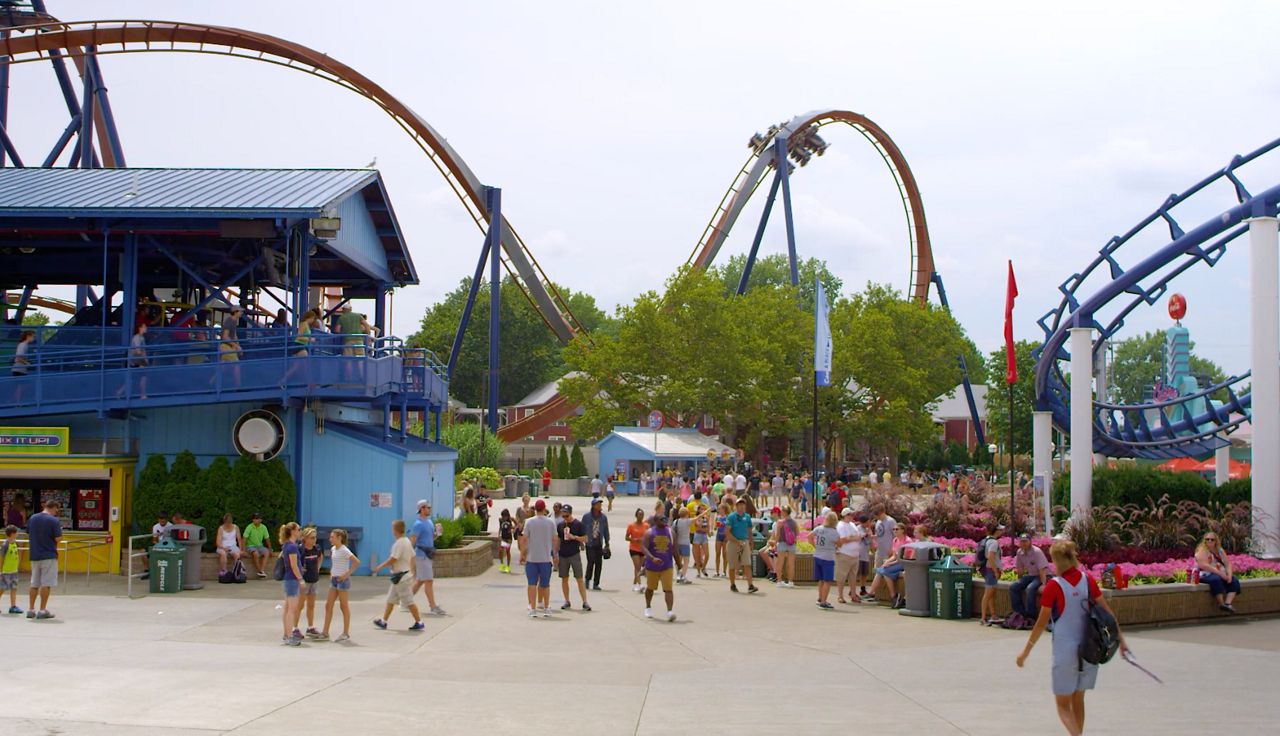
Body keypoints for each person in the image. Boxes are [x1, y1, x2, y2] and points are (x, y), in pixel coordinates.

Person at [1017, 540, 1128, 736]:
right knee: (1078, 700)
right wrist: (1121, 641)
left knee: (1062, 705)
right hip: (1089, 649)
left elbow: (1041, 623)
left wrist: (1025, 652)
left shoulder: (1054, 586)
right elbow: (1108, 615)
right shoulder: (1088, 580)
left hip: (1064, 651)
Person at [371, 519, 425, 631]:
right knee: (390, 599)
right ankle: (384, 621)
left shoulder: (399, 543)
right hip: (399, 577)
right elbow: (413, 556)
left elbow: (393, 559)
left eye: (392, 528)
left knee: (409, 601)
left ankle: (419, 622)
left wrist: (379, 567)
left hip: (401, 578)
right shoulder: (406, 541)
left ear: (395, 530)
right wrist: (412, 571)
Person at [320, 528, 359, 642]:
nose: (330, 539)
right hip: (334, 580)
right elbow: (334, 563)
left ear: (339, 538)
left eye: (332, 537)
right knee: (328, 605)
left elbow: (356, 562)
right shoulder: (333, 549)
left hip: (342, 581)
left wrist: (346, 574)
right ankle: (325, 632)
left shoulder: (344, 550)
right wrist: (332, 573)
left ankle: (345, 633)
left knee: (343, 606)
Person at [25, 499, 62, 620]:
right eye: (57, 509)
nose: (57, 511)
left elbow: (28, 533)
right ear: (53, 507)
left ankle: (30, 609)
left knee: (34, 583)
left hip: (34, 554)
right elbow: (58, 538)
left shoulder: (33, 518)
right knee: (46, 583)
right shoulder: (54, 520)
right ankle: (42, 610)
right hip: (48, 555)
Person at [519, 499, 556, 617]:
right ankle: (546, 607)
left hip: (532, 558)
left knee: (532, 584)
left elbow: (524, 539)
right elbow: (555, 539)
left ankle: (532, 608)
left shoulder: (529, 522)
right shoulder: (551, 522)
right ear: (544, 509)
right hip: (545, 558)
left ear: (535, 509)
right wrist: (555, 555)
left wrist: (522, 554)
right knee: (545, 584)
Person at [863, 523, 913, 608]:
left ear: (902, 530)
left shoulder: (908, 541)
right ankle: (874, 593)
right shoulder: (895, 540)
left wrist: (889, 563)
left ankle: (892, 595)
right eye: (893, 529)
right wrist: (887, 562)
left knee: (885, 571)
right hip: (897, 562)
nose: (894, 531)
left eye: (897, 529)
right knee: (881, 571)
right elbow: (894, 556)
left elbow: (903, 558)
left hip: (904, 563)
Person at [642, 514, 681, 621]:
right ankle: (648, 607)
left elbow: (675, 550)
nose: (664, 522)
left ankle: (669, 611)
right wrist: (652, 558)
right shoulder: (649, 532)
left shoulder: (671, 532)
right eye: (661, 520)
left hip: (667, 565)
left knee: (668, 589)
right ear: (655, 521)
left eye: (665, 520)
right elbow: (644, 547)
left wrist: (679, 564)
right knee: (650, 588)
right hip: (652, 566)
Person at [409, 500, 445, 616]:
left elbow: (430, 538)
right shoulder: (418, 524)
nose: (429, 509)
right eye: (427, 507)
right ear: (422, 509)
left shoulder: (429, 522)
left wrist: (437, 534)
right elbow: (413, 540)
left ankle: (405, 601)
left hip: (428, 554)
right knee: (428, 581)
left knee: (420, 581)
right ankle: (433, 606)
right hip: (421, 555)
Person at [556, 504, 591, 611]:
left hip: (574, 554)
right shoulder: (560, 525)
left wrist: (574, 537)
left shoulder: (578, 524)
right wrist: (555, 554)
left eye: (566, 516)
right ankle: (567, 600)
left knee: (579, 578)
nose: (565, 518)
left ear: (570, 514)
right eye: (563, 515)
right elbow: (558, 539)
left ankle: (585, 601)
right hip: (563, 554)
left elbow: (585, 539)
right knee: (564, 578)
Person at [1195, 532, 1240, 613]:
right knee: (1215, 580)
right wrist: (1221, 574)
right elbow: (1204, 565)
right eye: (1207, 539)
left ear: (1216, 541)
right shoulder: (1202, 550)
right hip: (1205, 574)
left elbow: (1227, 563)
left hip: (1219, 573)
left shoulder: (1220, 550)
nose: (1209, 541)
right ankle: (1221, 603)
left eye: (1212, 539)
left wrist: (1229, 575)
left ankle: (1228, 604)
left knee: (1234, 580)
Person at [1009, 534, 1050, 626]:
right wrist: (1019, 581)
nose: (1023, 543)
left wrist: (1043, 584)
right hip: (1031, 575)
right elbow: (1020, 569)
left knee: (1030, 589)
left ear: (1030, 541)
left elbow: (1042, 570)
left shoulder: (1037, 552)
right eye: (1021, 541)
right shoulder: (1019, 552)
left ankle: (1031, 616)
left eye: (1025, 541)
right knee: (1013, 587)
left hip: (1042, 575)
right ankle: (1019, 613)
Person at [278, 522, 304, 645]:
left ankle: (286, 634)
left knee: (287, 608)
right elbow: (293, 565)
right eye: (299, 529)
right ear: (293, 531)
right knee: (292, 609)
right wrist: (300, 579)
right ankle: (289, 636)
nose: (300, 531)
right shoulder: (292, 547)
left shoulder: (287, 545)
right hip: (292, 579)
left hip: (288, 579)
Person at [724, 499, 758, 594]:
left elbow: (749, 530)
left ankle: (750, 585)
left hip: (744, 542)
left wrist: (751, 542)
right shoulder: (731, 517)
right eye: (740, 505)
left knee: (747, 563)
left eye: (743, 505)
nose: (742, 507)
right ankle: (732, 584)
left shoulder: (747, 517)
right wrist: (736, 541)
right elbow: (727, 532)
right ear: (736, 506)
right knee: (732, 565)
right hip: (733, 543)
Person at [811, 511, 841, 609]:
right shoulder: (833, 532)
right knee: (827, 580)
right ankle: (823, 602)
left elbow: (809, 536)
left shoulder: (819, 528)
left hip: (818, 555)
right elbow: (839, 543)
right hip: (827, 557)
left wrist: (815, 546)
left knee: (820, 580)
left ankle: (820, 598)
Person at [977, 522, 1005, 625]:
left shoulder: (986, 540)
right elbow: (990, 557)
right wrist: (995, 571)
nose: (1002, 531)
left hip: (985, 569)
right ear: (996, 531)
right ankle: (983, 618)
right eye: (1000, 530)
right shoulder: (994, 542)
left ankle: (993, 615)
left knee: (991, 594)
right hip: (990, 570)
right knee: (988, 594)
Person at [834, 507, 864, 604]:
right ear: (845, 515)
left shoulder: (852, 525)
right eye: (850, 514)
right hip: (844, 554)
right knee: (841, 576)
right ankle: (840, 595)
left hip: (855, 555)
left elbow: (857, 536)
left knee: (853, 576)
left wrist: (854, 538)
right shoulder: (841, 526)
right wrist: (854, 538)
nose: (852, 516)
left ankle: (853, 594)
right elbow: (842, 540)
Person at [298, 527, 323, 637]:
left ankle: (310, 627)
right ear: (305, 538)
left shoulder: (316, 548)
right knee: (300, 605)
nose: (314, 540)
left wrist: (317, 569)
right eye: (312, 538)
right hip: (304, 581)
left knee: (311, 605)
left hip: (314, 579)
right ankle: (295, 627)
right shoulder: (301, 549)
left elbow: (320, 557)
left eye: (315, 537)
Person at [583, 498, 610, 591]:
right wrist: (581, 542)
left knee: (599, 563)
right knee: (590, 562)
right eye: (598, 504)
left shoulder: (603, 517)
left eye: (600, 504)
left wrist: (607, 543)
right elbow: (582, 529)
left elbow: (606, 530)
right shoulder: (586, 517)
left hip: (598, 543)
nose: (600, 506)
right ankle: (587, 580)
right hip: (589, 543)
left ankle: (596, 583)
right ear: (593, 506)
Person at [772, 506, 799, 588]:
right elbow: (797, 533)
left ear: (784, 512)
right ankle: (790, 582)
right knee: (791, 564)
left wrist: (775, 544)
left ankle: (779, 581)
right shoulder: (794, 522)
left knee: (780, 562)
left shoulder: (780, 522)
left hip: (782, 543)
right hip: (792, 544)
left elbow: (777, 535)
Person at [243, 512, 273, 578]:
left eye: (257, 519)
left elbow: (267, 539)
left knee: (266, 552)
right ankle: (259, 571)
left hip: (260, 546)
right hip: (250, 546)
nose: (256, 520)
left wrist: (270, 549)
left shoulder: (263, 527)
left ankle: (262, 570)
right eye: (254, 519)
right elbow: (244, 538)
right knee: (255, 554)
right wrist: (243, 549)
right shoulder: (249, 527)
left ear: (260, 520)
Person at [625, 508, 648, 592]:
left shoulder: (646, 525)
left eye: (642, 514)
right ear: (636, 515)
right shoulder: (631, 526)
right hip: (633, 548)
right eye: (639, 514)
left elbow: (648, 536)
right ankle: (640, 584)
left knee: (638, 567)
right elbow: (626, 537)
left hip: (642, 549)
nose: (641, 516)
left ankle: (634, 584)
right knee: (638, 566)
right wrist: (634, 540)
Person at [2, 525, 21, 614]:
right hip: (6, 571)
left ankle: (13, 606)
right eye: (16, 532)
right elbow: (1, 557)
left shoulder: (14, 543)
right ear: (12, 534)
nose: (17, 534)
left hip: (14, 570)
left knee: (14, 588)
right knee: (2, 588)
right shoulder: (5, 544)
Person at [672, 506, 693, 584]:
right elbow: (698, 517)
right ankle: (683, 575)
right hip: (685, 543)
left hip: (677, 543)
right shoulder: (687, 521)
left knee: (678, 561)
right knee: (686, 561)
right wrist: (707, 511)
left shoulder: (676, 521)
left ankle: (678, 575)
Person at [498, 508, 515, 573]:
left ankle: (508, 566)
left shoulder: (511, 519)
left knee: (507, 551)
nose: (504, 518)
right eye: (503, 516)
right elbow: (500, 527)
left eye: (505, 516)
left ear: (507, 515)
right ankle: (502, 564)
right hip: (503, 537)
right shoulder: (500, 520)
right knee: (500, 551)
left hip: (508, 538)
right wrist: (499, 534)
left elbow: (516, 524)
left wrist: (513, 529)